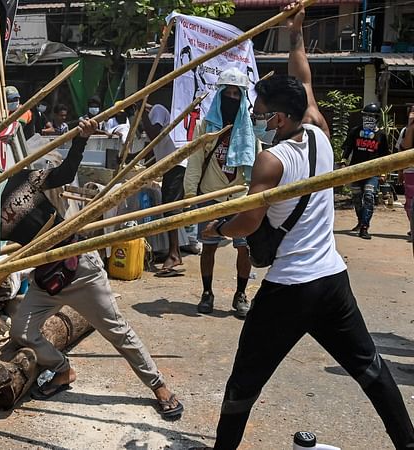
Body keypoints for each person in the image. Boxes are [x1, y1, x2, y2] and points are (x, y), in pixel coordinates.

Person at [202, 5, 414, 449]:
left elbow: (250, 220)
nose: (255, 118)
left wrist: (216, 231)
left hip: (290, 287)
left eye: (260, 113)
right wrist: (295, 34)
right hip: (332, 280)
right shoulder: (317, 129)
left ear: (278, 119)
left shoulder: (271, 159)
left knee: (245, 380)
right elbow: (304, 82)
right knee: (372, 370)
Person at [0, 119, 184, 420]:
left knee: (117, 332)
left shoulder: (23, 180)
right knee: (21, 330)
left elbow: (64, 173)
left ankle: (159, 387)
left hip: (79, 268)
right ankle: (63, 371)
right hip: (46, 279)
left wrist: (81, 139)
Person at [183, 67, 260, 318]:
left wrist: (258, 199)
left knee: (244, 248)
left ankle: (240, 294)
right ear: (219, 96)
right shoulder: (207, 127)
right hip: (211, 196)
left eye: (236, 94)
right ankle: (207, 293)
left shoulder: (250, 133)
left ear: (242, 98)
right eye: (227, 93)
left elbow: (258, 164)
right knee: (209, 247)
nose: (231, 98)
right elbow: (194, 162)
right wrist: (189, 197)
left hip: (240, 197)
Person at [146, 104, 187, 277]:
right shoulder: (161, 113)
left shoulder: (156, 110)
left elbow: (154, 136)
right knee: (170, 208)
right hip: (173, 164)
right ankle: (174, 251)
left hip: (176, 164)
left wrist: (141, 114)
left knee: (170, 209)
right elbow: (156, 146)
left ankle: (174, 254)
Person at [342, 103, 391, 240]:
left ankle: (364, 227)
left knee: (369, 197)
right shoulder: (355, 131)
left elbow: (385, 156)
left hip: (373, 172)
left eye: (371, 116)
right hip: (355, 170)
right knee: (357, 198)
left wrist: (383, 173)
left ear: (376, 118)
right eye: (366, 116)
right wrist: (343, 161)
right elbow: (348, 148)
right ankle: (360, 220)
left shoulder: (381, 135)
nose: (368, 118)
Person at [395, 105, 414, 242]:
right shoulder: (405, 131)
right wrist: (411, 126)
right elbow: (404, 149)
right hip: (410, 170)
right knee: (409, 204)